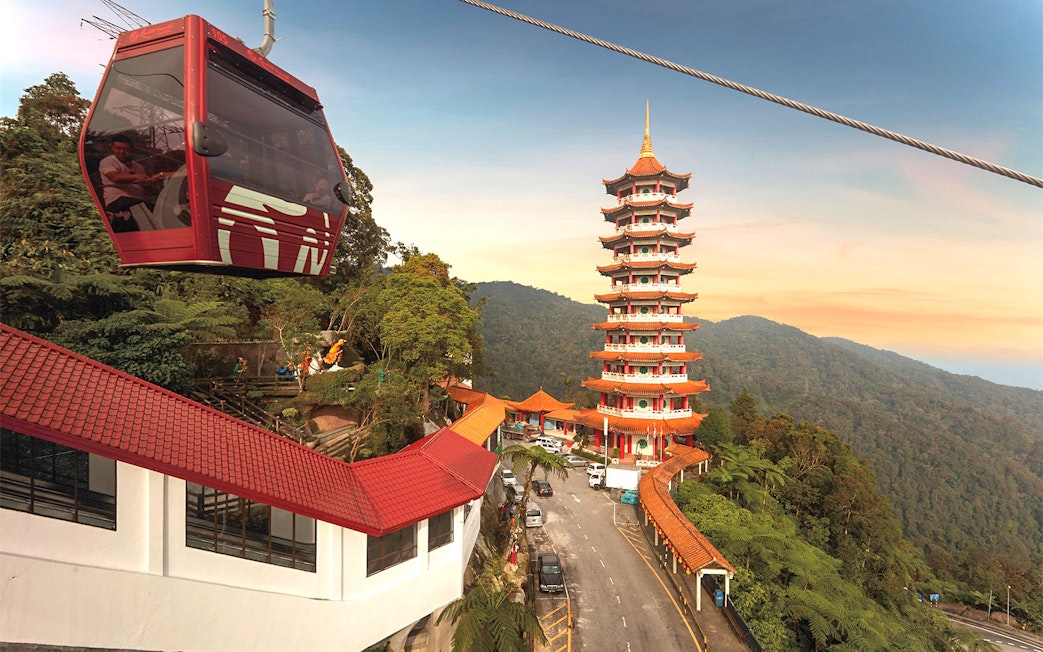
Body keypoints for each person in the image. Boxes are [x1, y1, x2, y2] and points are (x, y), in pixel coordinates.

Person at [99, 134, 164, 232]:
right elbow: (115, 177)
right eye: (118, 148)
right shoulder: (108, 162)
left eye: (126, 149)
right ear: (112, 147)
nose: (122, 152)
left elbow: (151, 189)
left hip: (138, 204)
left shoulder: (138, 167)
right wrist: (137, 177)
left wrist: (149, 183)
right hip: (117, 202)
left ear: (132, 150)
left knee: (162, 210)